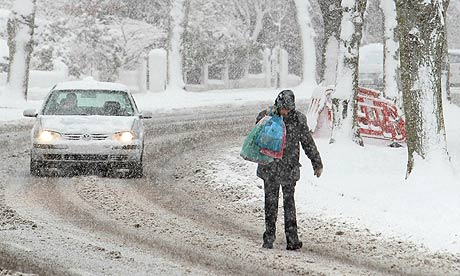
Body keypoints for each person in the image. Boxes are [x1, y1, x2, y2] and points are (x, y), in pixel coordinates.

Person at [256, 89, 323, 250]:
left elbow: (307, 142)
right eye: (282, 109)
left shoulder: (299, 119)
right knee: (270, 204)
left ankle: (292, 240)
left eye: (288, 109)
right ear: (277, 105)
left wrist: (317, 162)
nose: (285, 112)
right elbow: (256, 134)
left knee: (289, 204)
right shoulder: (268, 116)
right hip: (270, 167)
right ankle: (269, 237)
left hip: (289, 168)